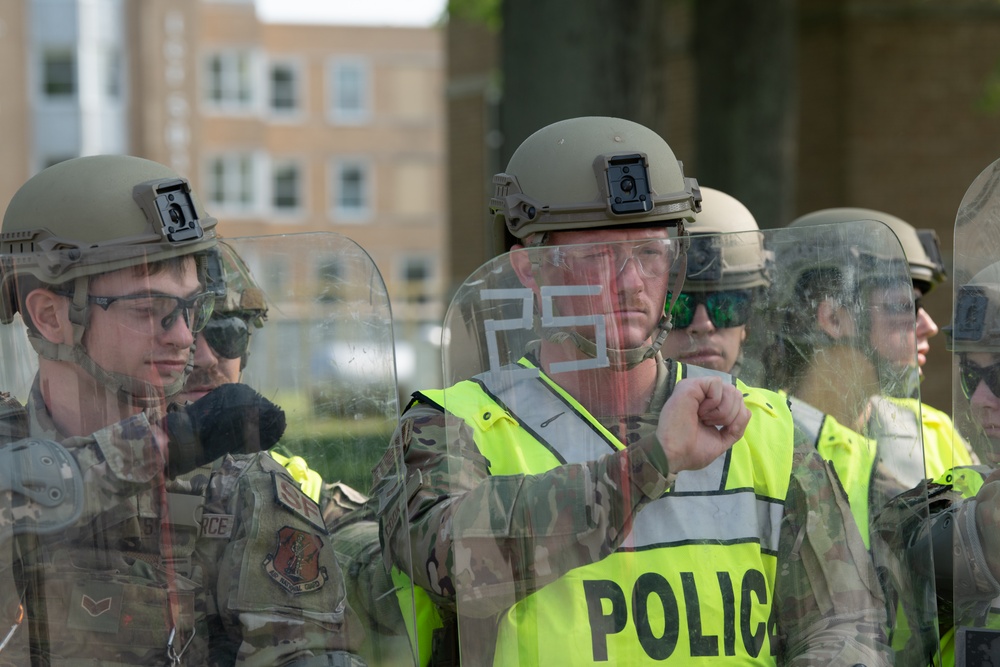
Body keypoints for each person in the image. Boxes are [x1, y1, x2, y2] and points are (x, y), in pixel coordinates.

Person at [373, 116, 891, 665]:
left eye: (649, 253)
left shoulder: (770, 429)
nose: (630, 282)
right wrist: (651, 463)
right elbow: (453, 562)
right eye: (597, 256)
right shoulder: (451, 425)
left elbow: (848, 623)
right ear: (530, 270)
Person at [0, 155, 368, 665]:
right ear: (49, 316)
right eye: (149, 309)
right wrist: (157, 448)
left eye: (193, 309)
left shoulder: (236, 489)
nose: (183, 337)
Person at [178, 238, 442, 666]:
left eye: (227, 331)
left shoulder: (296, 488)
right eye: (182, 328)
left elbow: (370, 559)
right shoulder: (83, 479)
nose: (204, 355)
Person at [783, 208, 974, 486]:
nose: (930, 326)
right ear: (833, 319)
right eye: (903, 307)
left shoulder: (934, 431)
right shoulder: (756, 431)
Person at [660, 186, 770, 376]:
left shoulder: (782, 406)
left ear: (746, 326)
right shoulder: (605, 405)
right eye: (676, 308)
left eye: (726, 305)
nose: (703, 326)